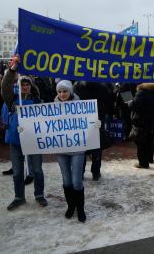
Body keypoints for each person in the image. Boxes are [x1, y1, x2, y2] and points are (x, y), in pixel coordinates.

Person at [1, 56, 47, 210]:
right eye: (22, 84)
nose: (25, 87)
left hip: (33, 140)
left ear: (31, 86)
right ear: (18, 86)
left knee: (38, 170)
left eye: (27, 84)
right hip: (16, 140)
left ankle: (39, 194)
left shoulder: (37, 101)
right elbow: (5, 86)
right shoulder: (11, 99)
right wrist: (12, 70)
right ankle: (19, 197)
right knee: (17, 172)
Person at [54, 80, 94, 222]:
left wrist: (96, 124)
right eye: (59, 91)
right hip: (61, 149)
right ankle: (71, 207)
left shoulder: (80, 106)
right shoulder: (52, 108)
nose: (62, 94)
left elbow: (88, 122)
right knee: (67, 181)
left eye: (64, 91)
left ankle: (80, 209)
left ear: (70, 91)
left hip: (77, 148)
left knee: (77, 181)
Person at [128, 83, 154, 168]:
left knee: (140, 143)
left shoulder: (141, 92)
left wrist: (128, 100)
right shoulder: (153, 92)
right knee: (148, 140)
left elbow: (133, 105)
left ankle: (143, 163)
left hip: (140, 120)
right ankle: (149, 158)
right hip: (150, 119)